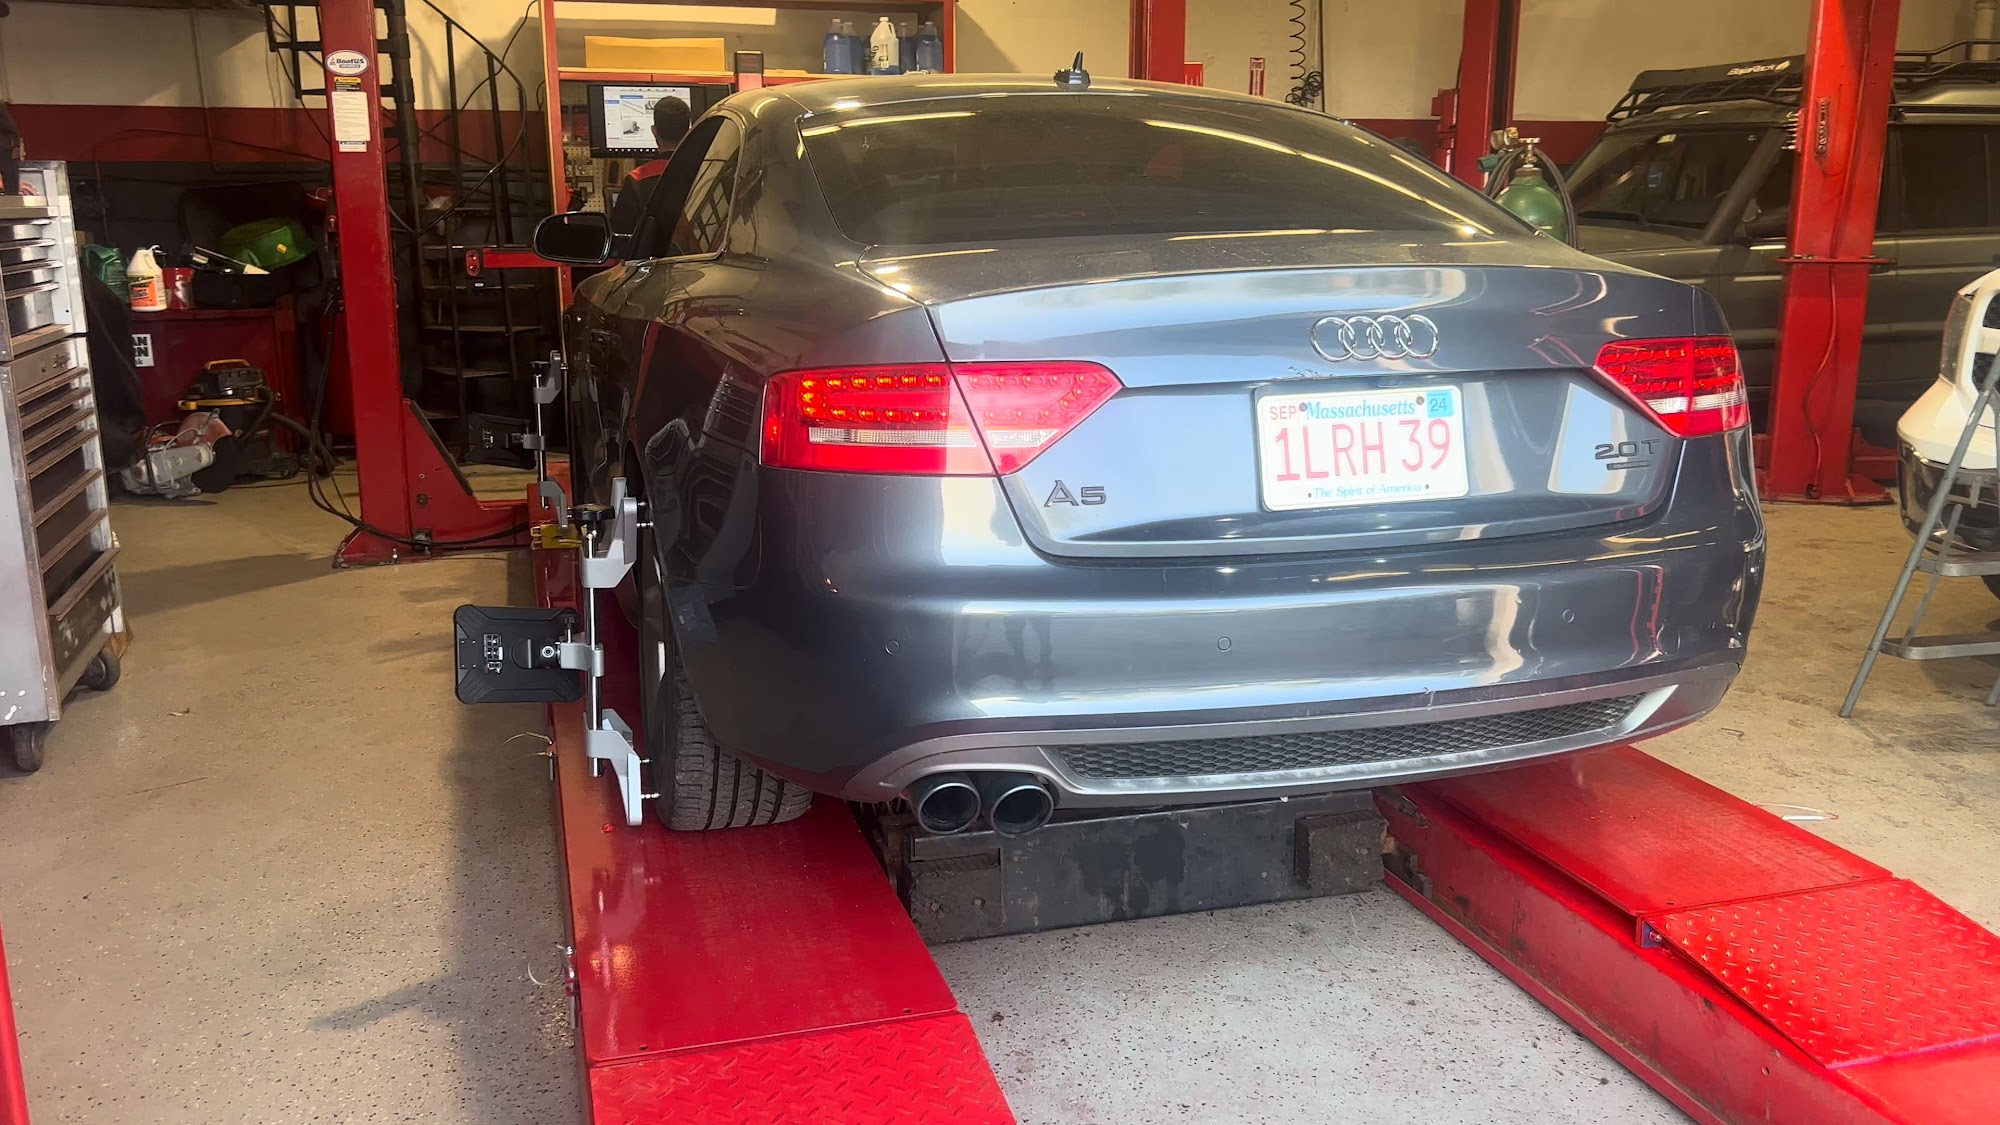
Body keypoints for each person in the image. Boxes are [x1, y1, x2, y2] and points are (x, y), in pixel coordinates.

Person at [608, 95, 691, 241]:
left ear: (654, 131)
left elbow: (620, 237)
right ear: (689, 131)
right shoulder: (707, 171)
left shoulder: (637, 179)